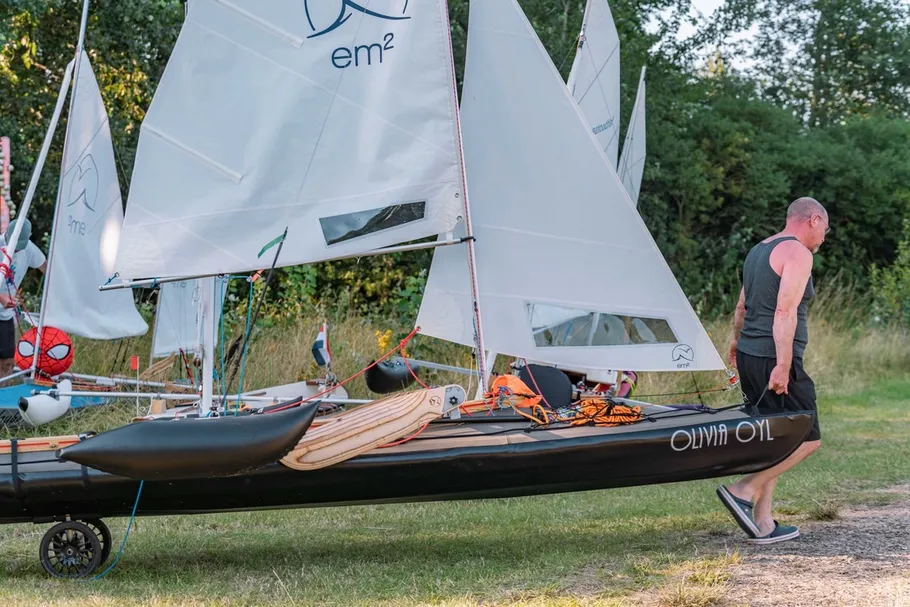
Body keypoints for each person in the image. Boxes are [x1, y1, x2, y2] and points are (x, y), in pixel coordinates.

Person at [717, 197, 826, 545]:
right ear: (813, 219)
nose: (824, 236)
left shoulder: (759, 250)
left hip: (750, 353)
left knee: (775, 438)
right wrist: (782, 364)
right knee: (809, 437)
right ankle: (742, 491)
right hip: (773, 358)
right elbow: (784, 312)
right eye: (824, 228)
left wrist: (735, 344)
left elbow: (741, 306)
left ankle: (762, 522)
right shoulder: (797, 253)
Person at [0, 218, 47, 377]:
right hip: (3, 303)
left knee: (7, 358)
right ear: (8, 233)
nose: (17, 251)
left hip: (4, 314)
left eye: (20, 247)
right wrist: (1, 297)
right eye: (15, 246)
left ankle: (2, 395)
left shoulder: (30, 249)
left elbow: (46, 268)